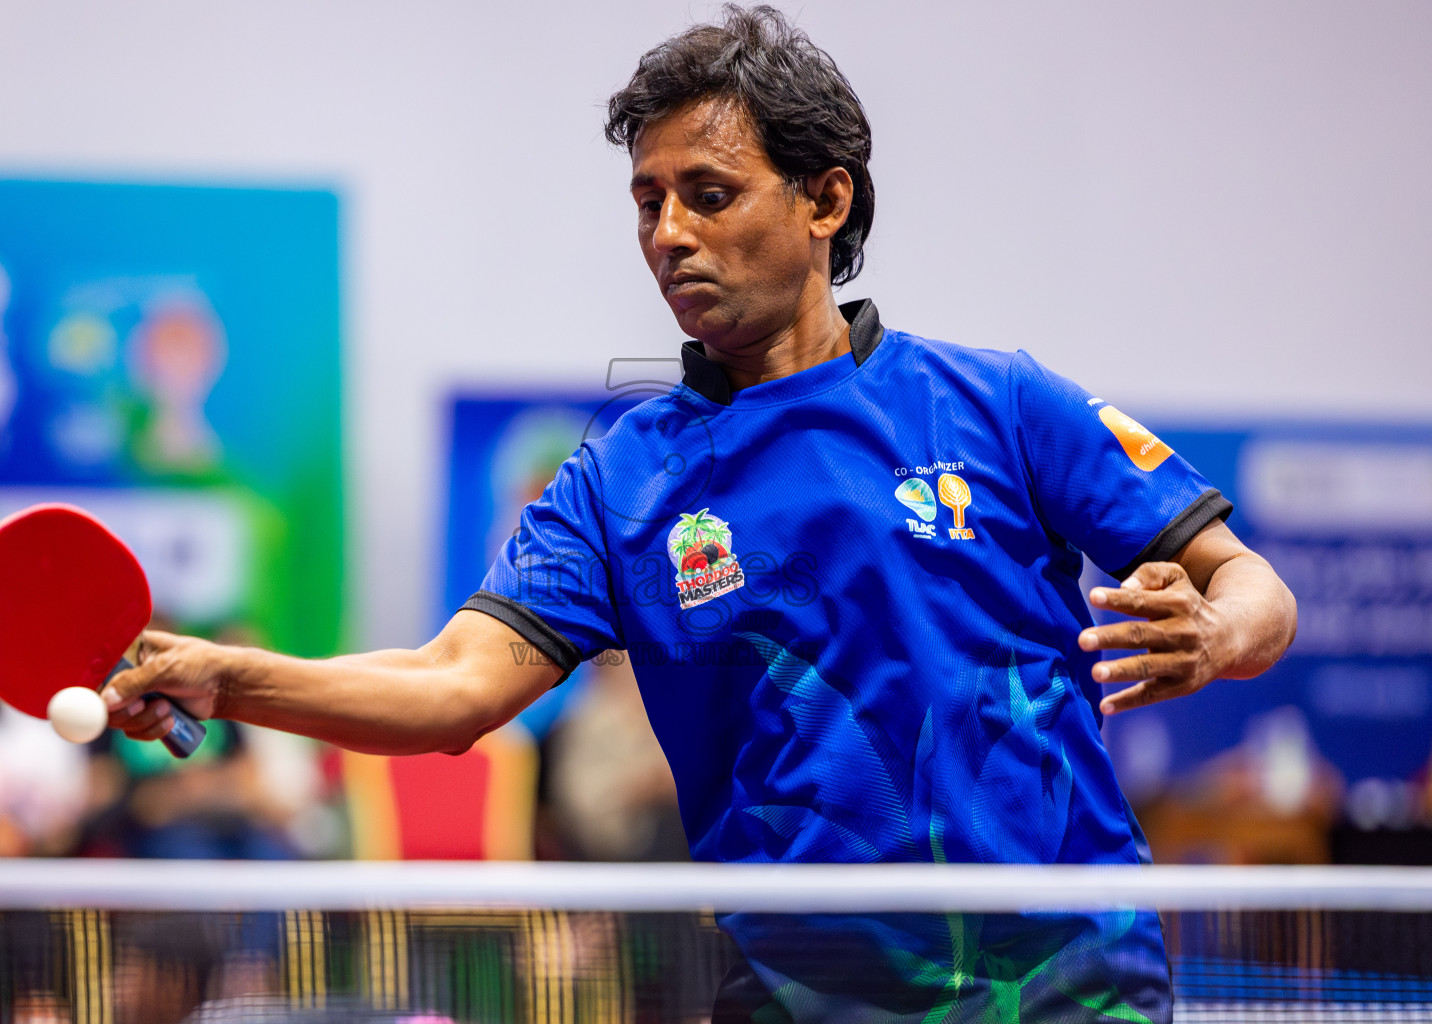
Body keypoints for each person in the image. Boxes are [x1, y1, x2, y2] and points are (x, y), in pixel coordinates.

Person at [104, 6, 1297, 1020]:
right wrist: (231, 676)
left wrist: (1219, 633)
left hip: (1068, 978)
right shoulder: (624, 479)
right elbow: (450, 688)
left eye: (709, 194)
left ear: (824, 198)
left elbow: (1254, 586)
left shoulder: (998, 402)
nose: (668, 234)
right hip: (805, 991)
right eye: (648, 200)